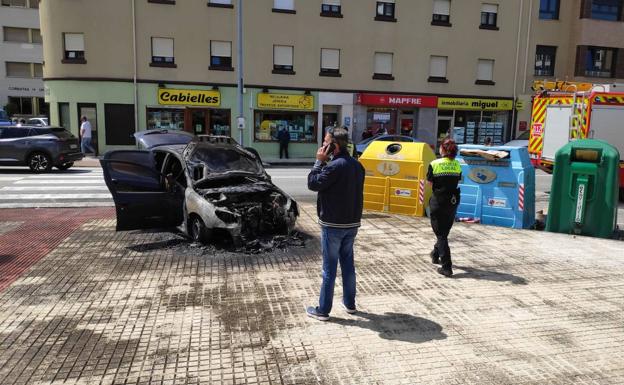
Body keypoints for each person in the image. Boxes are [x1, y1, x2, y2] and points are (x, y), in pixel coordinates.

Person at [306, 127, 365, 321]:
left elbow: (313, 184)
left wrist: (318, 162)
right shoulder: (357, 166)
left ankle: (323, 310)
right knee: (348, 265)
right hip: (352, 224)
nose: (322, 146)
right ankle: (350, 303)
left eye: (325, 142)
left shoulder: (333, 166)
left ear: (335, 146)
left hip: (333, 226)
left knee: (329, 269)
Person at [428, 138, 462, 277]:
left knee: (441, 234)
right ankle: (435, 254)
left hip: (438, 201)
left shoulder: (434, 164)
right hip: (453, 201)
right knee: (444, 232)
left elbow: (430, 183)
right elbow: (457, 180)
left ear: (442, 149)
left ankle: (447, 267)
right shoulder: (457, 164)